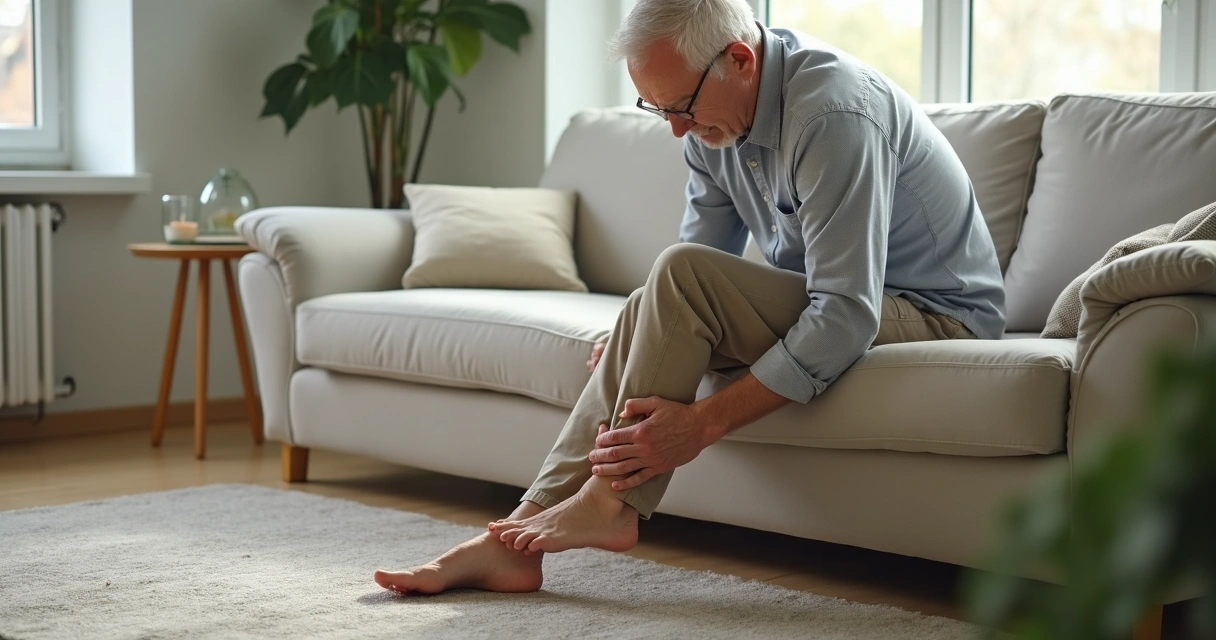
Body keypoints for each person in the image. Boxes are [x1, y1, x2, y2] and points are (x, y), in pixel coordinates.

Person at [373, 0, 1005, 595]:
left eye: (681, 106)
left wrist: (698, 427)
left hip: (936, 314)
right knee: (661, 290)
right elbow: (688, 272)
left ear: (740, 59)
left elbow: (844, 314)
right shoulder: (712, 126)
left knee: (675, 279)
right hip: (850, 300)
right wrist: (640, 324)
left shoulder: (833, 113)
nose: (675, 130)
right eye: (657, 109)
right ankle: (519, 535)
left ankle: (608, 504)